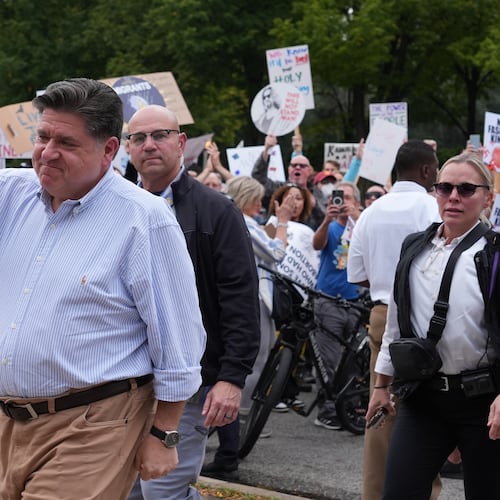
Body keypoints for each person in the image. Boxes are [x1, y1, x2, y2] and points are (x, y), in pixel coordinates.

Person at [0, 78, 206, 499]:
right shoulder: (13, 195)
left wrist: (164, 432)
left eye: (67, 143)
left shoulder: (143, 220)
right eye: (42, 137)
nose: (47, 152)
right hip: (9, 418)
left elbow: (179, 338)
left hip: (91, 425)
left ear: (109, 150)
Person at [125, 105, 260, 499]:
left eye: (160, 135)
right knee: (129, 493)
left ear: (181, 142)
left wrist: (231, 378)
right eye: (139, 138)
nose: (149, 145)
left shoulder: (217, 211)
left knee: (162, 493)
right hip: (125, 385)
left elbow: (239, 296)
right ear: (127, 148)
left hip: (188, 383)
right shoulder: (117, 209)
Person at [366, 152, 500, 499]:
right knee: (400, 492)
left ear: (488, 197)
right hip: (423, 399)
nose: (453, 196)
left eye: (466, 189)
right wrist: (382, 386)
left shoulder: (495, 253)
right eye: (445, 187)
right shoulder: (415, 246)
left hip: (482, 402)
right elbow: (397, 323)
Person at [347, 140, 441, 500]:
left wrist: (388, 278)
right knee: (427, 410)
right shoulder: (432, 206)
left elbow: (355, 274)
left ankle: (376, 492)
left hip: (382, 312)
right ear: (428, 171)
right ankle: (422, 493)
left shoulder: (371, 211)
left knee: (380, 405)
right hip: (427, 314)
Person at [201, 176, 294, 477]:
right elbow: (276, 253)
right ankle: (230, 448)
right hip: (251, 303)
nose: (261, 204)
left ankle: (229, 446)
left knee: (236, 372)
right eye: (257, 199)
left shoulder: (236, 221)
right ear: (246, 199)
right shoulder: (242, 222)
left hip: (244, 303)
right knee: (244, 371)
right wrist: (282, 223)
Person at [311, 181, 363, 429]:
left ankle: (346, 408)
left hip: (355, 302)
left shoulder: (361, 226)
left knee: (351, 361)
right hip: (329, 300)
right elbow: (317, 244)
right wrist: (326, 219)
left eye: (349, 198)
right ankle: (327, 409)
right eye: (340, 198)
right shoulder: (330, 227)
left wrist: (358, 218)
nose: (344, 203)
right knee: (328, 358)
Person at [251, 134, 324, 229]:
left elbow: (325, 218)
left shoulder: (316, 193)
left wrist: (314, 204)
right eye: (294, 165)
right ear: (289, 169)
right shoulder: (278, 188)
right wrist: (267, 149)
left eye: (302, 166)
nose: (297, 168)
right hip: (276, 234)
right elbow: (258, 178)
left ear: (310, 171)